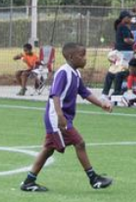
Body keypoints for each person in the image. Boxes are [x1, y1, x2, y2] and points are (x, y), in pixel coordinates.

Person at [19, 42, 115, 192]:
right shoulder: (63, 72)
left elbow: (84, 92)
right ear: (71, 57)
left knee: (48, 149)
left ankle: (29, 181)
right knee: (79, 143)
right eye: (81, 56)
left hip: (61, 117)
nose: (85, 59)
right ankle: (93, 179)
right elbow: (55, 95)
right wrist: (60, 116)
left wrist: (101, 104)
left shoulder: (76, 73)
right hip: (56, 117)